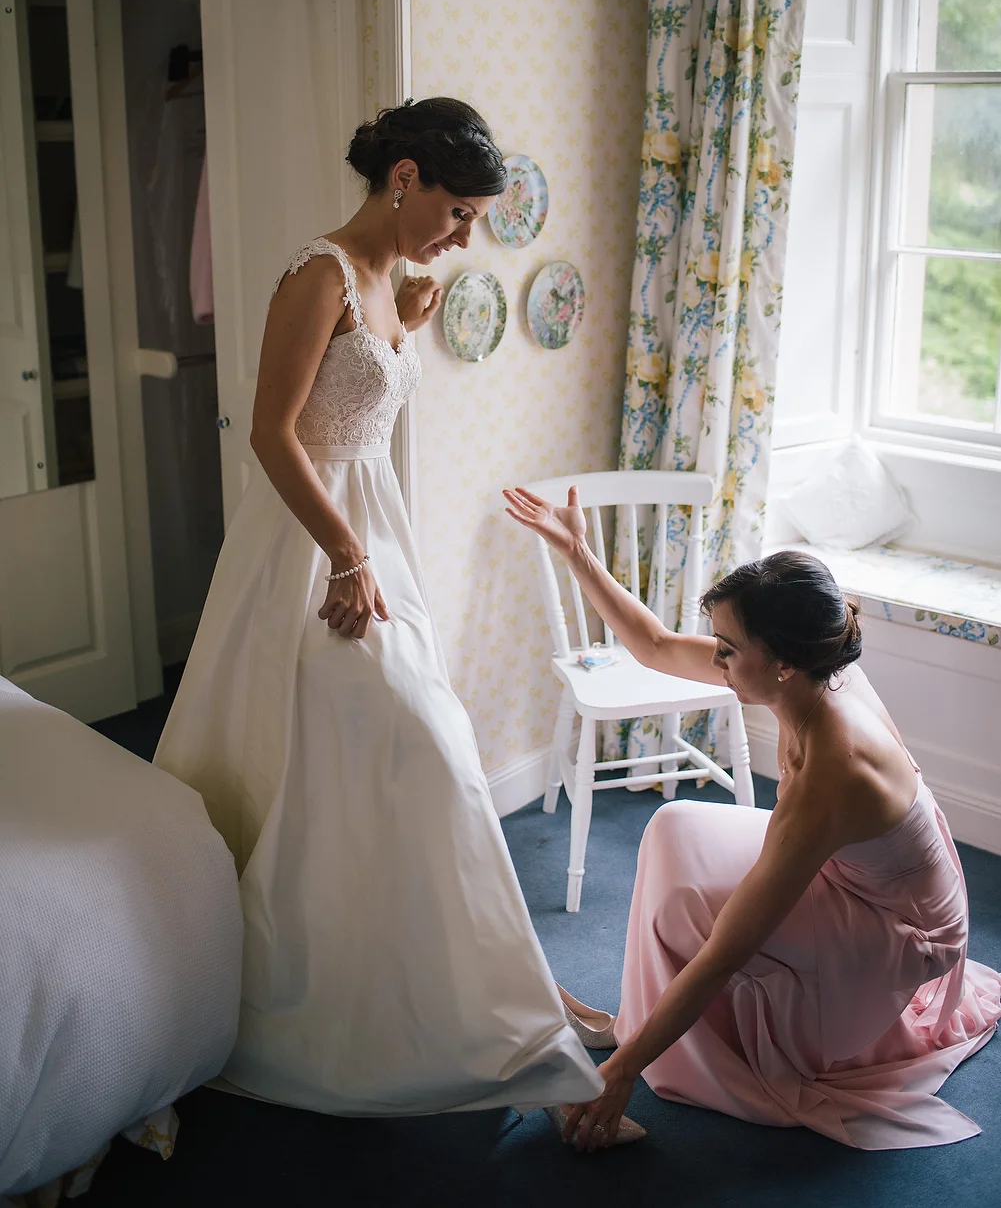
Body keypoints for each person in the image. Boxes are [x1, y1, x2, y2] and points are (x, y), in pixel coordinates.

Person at [154, 99, 601, 1116]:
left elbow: (352, 389)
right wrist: (346, 558)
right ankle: (406, 998)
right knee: (409, 747)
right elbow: (272, 434)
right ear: (404, 179)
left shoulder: (384, 281)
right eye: (459, 212)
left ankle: (497, 989)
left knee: (393, 762)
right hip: (314, 548)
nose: (463, 236)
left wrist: (403, 323)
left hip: (372, 534)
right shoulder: (315, 273)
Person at [503, 484, 1001, 1151]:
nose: (716, 661)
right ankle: (634, 1022)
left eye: (727, 649)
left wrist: (621, 1075)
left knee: (697, 918)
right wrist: (578, 552)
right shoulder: (809, 671)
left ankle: (652, 1052)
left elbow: (725, 952)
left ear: (783, 663)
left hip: (895, 927)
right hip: (856, 869)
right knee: (674, 827)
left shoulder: (834, 770)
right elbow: (653, 644)